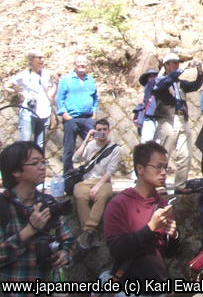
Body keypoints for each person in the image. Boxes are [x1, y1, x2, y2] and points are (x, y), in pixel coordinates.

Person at [103, 141, 180, 283]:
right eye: (158, 167)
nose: (163, 172)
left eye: (165, 167)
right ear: (140, 168)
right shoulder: (119, 204)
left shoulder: (163, 205)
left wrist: (173, 235)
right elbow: (117, 251)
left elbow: (170, 253)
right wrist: (151, 227)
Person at [0, 141, 73, 285]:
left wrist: (65, 254)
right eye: (35, 163)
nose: (42, 167)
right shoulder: (3, 206)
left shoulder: (48, 203)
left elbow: (68, 240)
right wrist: (30, 230)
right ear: (16, 171)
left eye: (43, 162)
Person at [153, 53, 203, 193]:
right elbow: (165, 82)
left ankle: (180, 185)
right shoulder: (160, 80)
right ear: (166, 65)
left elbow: (195, 85)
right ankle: (159, 184)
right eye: (173, 63)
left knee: (185, 153)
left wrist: (199, 72)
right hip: (168, 118)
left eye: (177, 63)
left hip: (182, 118)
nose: (176, 65)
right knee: (165, 152)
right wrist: (181, 70)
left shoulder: (180, 83)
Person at [71, 118, 121, 250]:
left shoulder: (114, 148)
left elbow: (110, 171)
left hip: (103, 180)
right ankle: (90, 233)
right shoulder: (90, 145)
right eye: (99, 130)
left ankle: (88, 230)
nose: (102, 132)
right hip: (86, 180)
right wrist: (86, 140)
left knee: (103, 195)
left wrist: (98, 185)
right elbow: (75, 158)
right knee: (80, 195)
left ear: (109, 131)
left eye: (104, 130)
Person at [3, 50, 57, 149]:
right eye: (39, 58)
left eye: (43, 58)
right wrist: (19, 92)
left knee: (40, 143)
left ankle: (37, 162)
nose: (42, 60)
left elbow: (50, 93)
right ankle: (21, 162)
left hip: (45, 112)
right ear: (31, 60)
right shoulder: (24, 75)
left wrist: (55, 87)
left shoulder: (47, 74)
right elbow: (7, 85)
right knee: (25, 141)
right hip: (28, 112)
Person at [56, 55, 98, 174]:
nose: (81, 65)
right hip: (71, 118)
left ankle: (93, 172)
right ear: (74, 64)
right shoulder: (66, 79)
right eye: (79, 62)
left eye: (83, 62)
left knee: (94, 145)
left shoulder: (90, 79)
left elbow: (95, 97)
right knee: (69, 148)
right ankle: (67, 174)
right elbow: (60, 98)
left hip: (88, 118)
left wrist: (94, 113)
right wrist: (65, 114)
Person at [137, 68, 159, 143]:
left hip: (159, 119)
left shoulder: (160, 90)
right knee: (146, 144)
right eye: (150, 77)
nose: (153, 78)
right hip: (149, 119)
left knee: (158, 145)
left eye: (154, 76)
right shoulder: (148, 88)